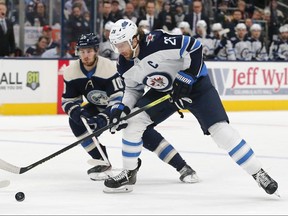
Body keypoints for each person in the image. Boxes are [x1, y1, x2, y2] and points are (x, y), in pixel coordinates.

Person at [104, 19, 279, 196]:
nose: (120, 50)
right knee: (134, 121)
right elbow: (133, 89)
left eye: (123, 44)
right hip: (166, 93)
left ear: (134, 39)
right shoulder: (124, 64)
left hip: (196, 86)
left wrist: (188, 75)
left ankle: (258, 173)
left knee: (220, 131)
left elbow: (195, 46)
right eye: (116, 46)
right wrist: (122, 109)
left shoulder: (157, 41)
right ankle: (129, 173)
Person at [61, 32, 199, 182]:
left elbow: (120, 96)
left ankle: (182, 166)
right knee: (76, 123)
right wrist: (77, 112)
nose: (85, 55)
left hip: (118, 107)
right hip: (98, 106)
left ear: (96, 51)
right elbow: (68, 100)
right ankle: (102, 162)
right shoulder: (71, 71)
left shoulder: (108, 68)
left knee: (142, 131)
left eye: (89, 51)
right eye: (82, 51)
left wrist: (106, 117)